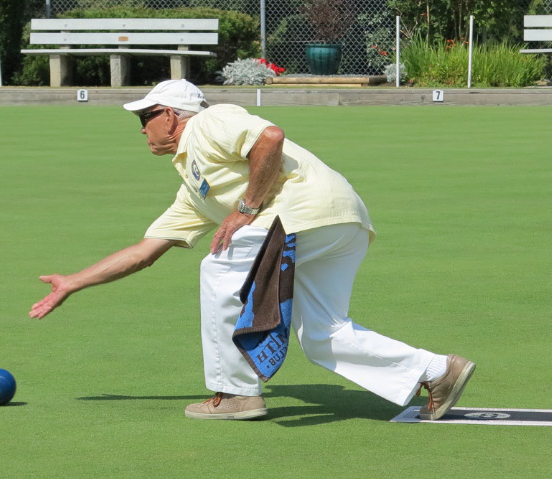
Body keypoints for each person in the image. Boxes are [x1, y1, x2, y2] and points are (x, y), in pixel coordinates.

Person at [29, 79, 475, 421]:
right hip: (342, 221)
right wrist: (74, 281)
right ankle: (437, 371)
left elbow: (271, 138)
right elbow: (146, 252)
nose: (141, 128)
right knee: (323, 335)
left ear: (169, 114)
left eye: (144, 117)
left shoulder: (208, 122)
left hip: (304, 214)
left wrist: (246, 207)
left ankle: (237, 393)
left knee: (218, 267)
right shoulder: (195, 188)